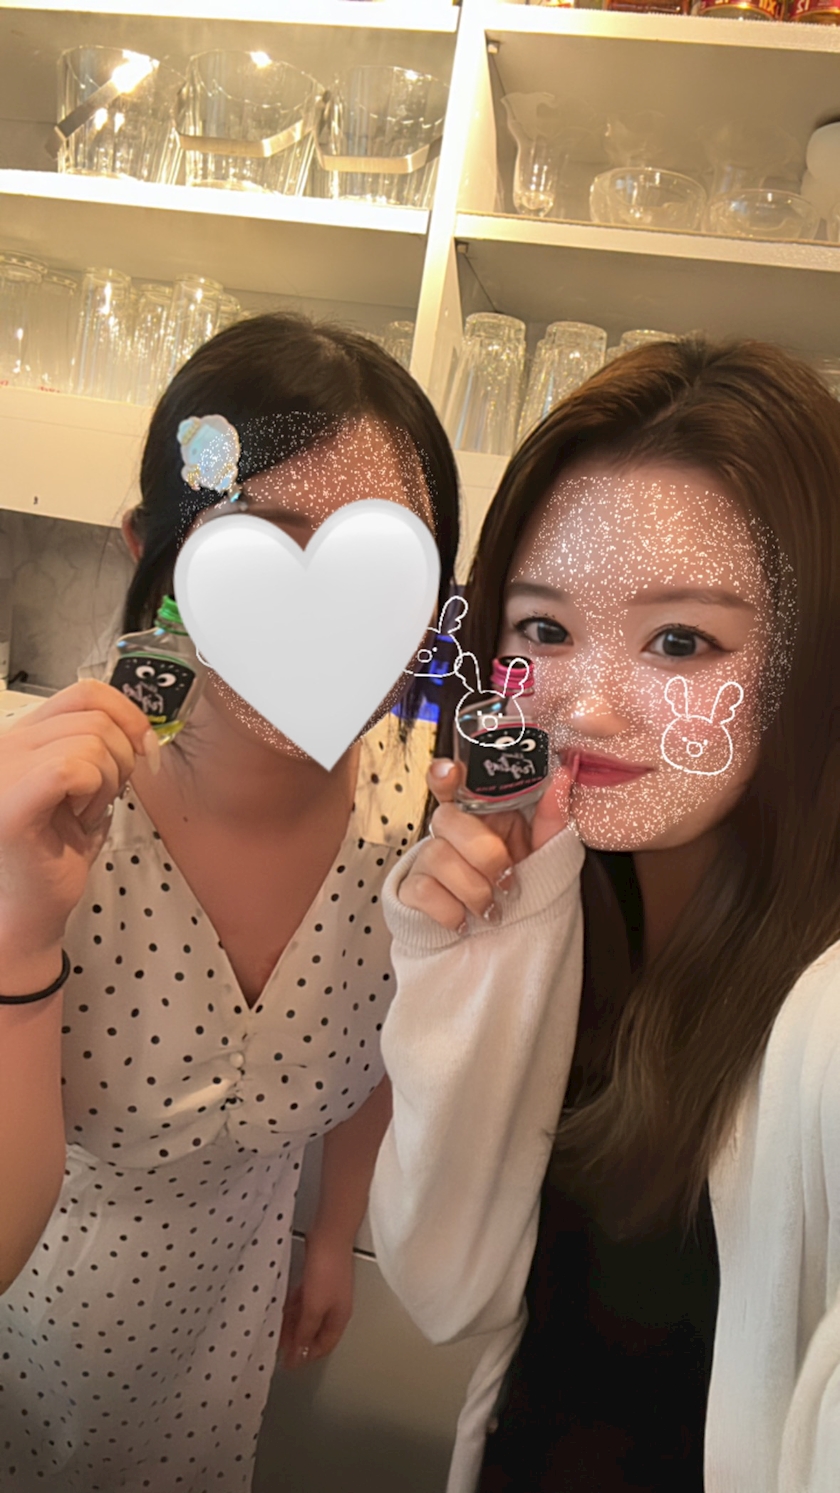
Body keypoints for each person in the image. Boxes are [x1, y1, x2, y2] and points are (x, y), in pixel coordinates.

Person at [369, 337, 840, 1493]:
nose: (584, 705)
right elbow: (444, 1287)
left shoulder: (824, 1014)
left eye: (681, 640)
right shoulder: (560, 898)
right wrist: (474, 955)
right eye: (543, 628)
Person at [0, 312, 459, 1492]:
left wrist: (331, 1234)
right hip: (27, 1344)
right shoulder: (42, 818)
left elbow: (385, 1039)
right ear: (155, 553)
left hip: (223, 1337)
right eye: (262, 544)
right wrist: (15, 929)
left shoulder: (412, 816)